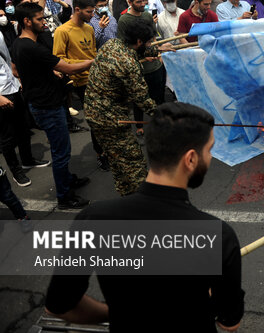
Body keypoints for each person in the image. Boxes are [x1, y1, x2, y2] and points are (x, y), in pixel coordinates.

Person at [45, 102, 245, 332]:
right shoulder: (219, 236)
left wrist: (118, 313)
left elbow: (57, 306)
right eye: (209, 150)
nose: (210, 158)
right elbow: (229, 323)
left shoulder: (93, 219)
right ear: (190, 159)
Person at [11, 2, 92, 209]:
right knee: (61, 153)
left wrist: (46, 73)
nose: (44, 22)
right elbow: (70, 69)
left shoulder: (18, 44)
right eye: (39, 19)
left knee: (61, 150)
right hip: (48, 107)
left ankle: (68, 180)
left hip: (40, 103)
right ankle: (64, 197)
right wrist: (93, 60)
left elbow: (16, 71)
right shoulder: (33, 48)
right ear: (26, 21)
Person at [84, 24, 160, 196]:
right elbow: (142, 99)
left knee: (117, 160)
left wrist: (158, 49)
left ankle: (126, 197)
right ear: (139, 41)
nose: (150, 45)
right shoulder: (128, 64)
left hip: (93, 112)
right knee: (133, 163)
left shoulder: (111, 44)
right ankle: (143, 205)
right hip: (110, 119)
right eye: (149, 42)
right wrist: (165, 116)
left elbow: (140, 51)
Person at [53, 0, 108, 169]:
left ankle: (109, 149)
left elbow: (92, 52)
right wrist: (86, 64)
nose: (93, 15)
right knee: (95, 120)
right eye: (89, 11)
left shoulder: (90, 28)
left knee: (107, 117)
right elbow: (58, 61)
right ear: (77, 10)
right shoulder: (62, 31)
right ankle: (101, 154)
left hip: (99, 77)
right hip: (81, 83)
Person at [0, 30, 50, 186]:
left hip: (12, 85)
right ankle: (16, 171)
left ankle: (27, 160)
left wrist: (17, 78)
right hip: (1, 93)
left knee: (23, 127)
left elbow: (6, 58)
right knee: (7, 137)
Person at [118, 0, 170, 135]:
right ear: (129, 2)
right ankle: (140, 126)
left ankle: (159, 122)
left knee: (159, 96)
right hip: (138, 67)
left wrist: (158, 53)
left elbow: (153, 38)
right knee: (138, 98)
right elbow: (123, 46)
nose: (142, 4)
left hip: (155, 65)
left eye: (144, 1)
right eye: (138, 2)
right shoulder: (124, 20)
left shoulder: (147, 16)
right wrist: (139, 58)